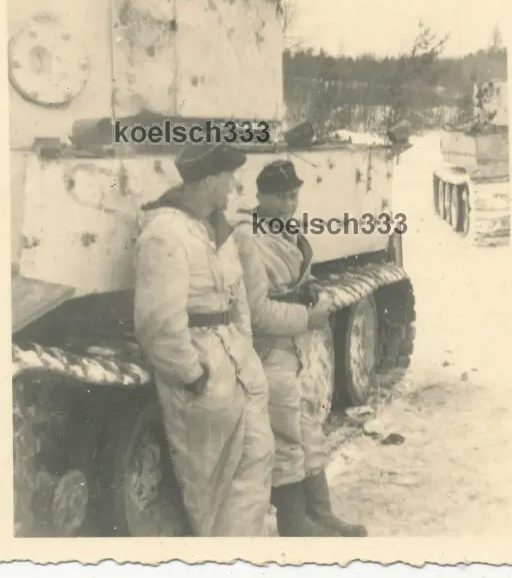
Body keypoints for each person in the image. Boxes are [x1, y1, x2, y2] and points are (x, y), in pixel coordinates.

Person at [133, 142, 275, 537]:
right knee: (211, 492)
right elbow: (158, 324)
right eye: (228, 178)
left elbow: (237, 298)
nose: (233, 186)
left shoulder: (216, 229)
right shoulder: (165, 234)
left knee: (256, 464)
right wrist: (194, 375)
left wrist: (244, 346)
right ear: (211, 180)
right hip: (204, 378)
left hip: (238, 367)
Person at [233, 159, 368, 537]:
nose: (289, 205)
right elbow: (257, 311)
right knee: (285, 436)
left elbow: (297, 277)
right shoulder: (248, 237)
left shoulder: (286, 231)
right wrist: (304, 317)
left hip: (294, 347)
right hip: (268, 348)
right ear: (260, 196)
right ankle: (294, 524)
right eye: (280, 197)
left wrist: (308, 289)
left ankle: (321, 514)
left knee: (309, 426)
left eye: (293, 196)